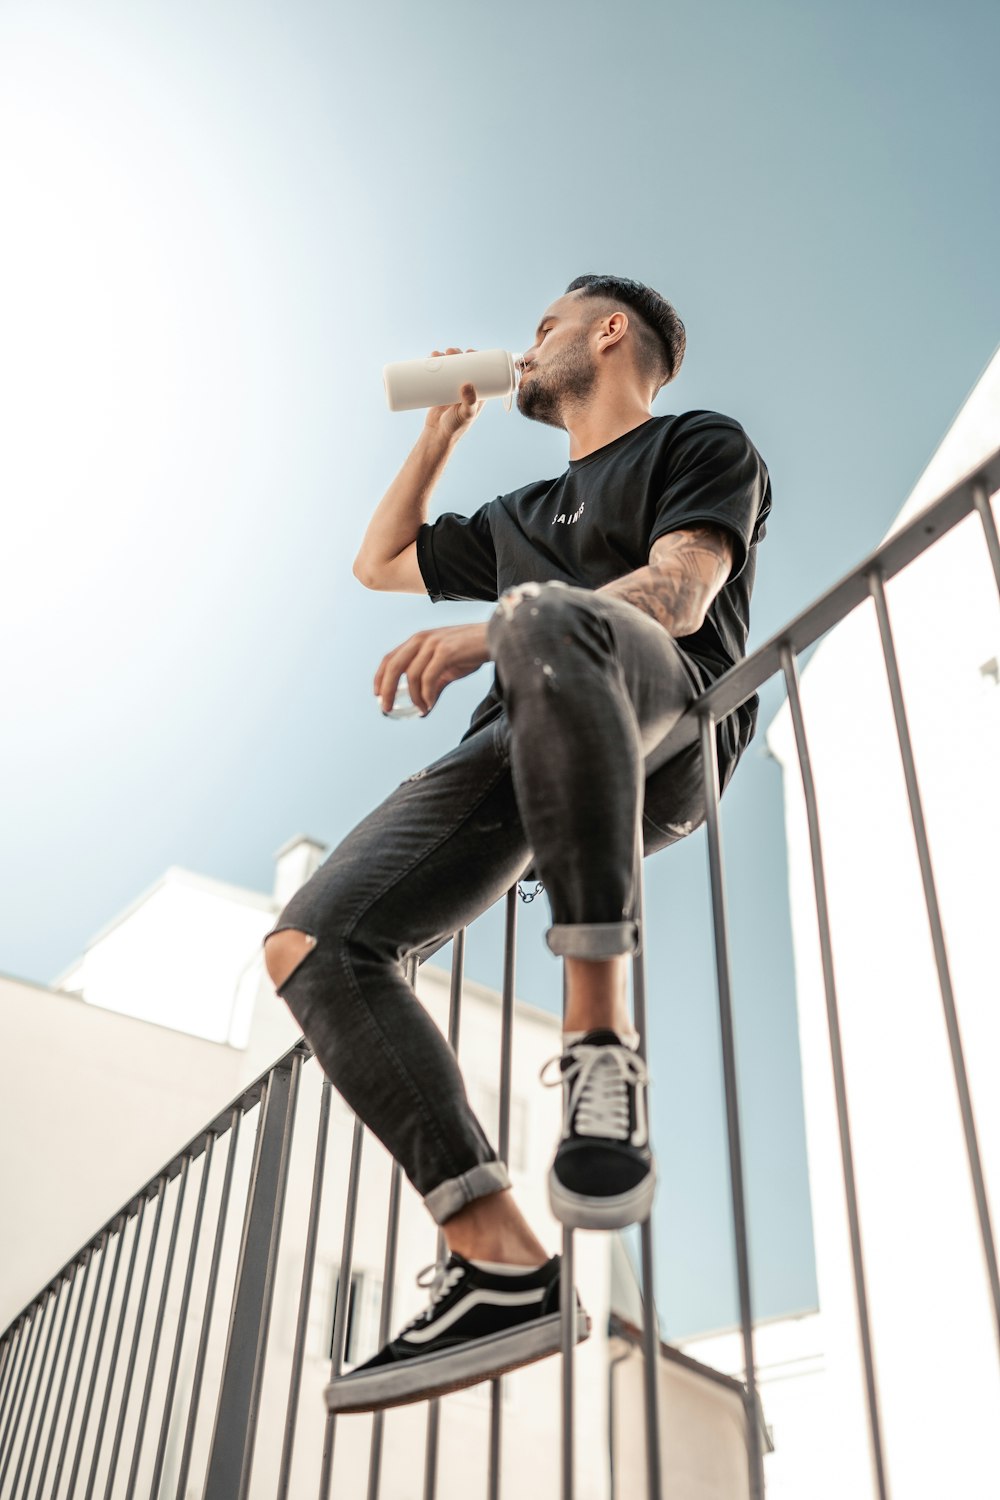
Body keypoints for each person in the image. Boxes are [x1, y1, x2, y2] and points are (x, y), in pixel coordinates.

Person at [262, 274, 772, 1413]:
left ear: (609, 332)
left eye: (545, 325)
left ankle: (602, 1045)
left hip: (662, 721)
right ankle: (495, 1257)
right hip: (521, 738)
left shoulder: (700, 441)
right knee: (312, 945)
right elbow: (380, 564)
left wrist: (506, 623)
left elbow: (682, 594)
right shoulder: (522, 515)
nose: (525, 345)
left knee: (548, 617)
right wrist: (441, 437)